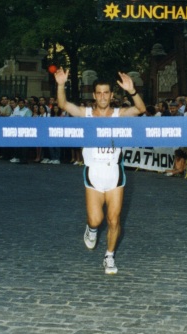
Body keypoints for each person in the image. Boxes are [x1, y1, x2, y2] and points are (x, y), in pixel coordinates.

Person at [55, 68, 146, 274]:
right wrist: (61, 84)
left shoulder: (118, 114)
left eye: (107, 93)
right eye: (99, 93)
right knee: (96, 219)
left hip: (114, 172)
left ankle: (109, 256)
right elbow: (63, 105)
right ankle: (92, 229)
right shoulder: (86, 114)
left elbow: (140, 109)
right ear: (94, 95)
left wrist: (132, 91)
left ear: (112, 95)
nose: (103, 96)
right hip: (93, 171)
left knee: (114, 219)